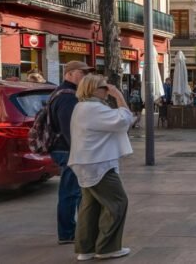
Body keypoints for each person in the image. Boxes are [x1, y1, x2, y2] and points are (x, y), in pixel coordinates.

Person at [68, 75, 133, 261]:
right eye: (104, 87)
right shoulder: (92, 108)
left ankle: (86, 248)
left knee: (91, 205)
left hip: (88, 161)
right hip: (98, 163)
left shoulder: (82, 107)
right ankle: (107, 247)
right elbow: (124, 120)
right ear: (93, 89)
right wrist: (119, 96)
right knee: (117, 202)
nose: (107, 90)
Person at [50, 61, 92, 245]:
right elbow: (70, 129)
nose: (85, 76)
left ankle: (76, 230)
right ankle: (67, 233)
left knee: (75, 192)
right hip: (68, 150)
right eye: (82, 73)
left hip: (66, 149)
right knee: (71, 193)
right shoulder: (67, 97)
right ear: (69, 74)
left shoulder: (64, 93)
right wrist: (80, 152)